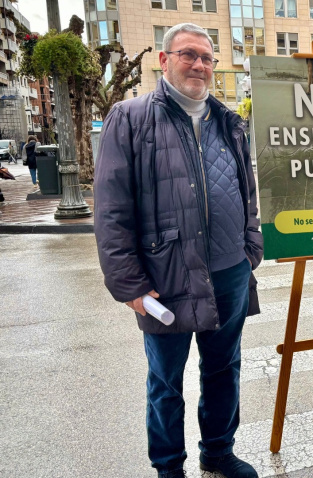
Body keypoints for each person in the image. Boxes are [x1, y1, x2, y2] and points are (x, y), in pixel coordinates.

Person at [94, 23, 263, 478]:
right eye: (189, 54)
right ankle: (169, 468)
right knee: (166, 381)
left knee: (224, 368)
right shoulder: (129, 118)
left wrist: (250, 248)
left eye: (207, 58)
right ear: (165, 60)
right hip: (164, 276)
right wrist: (129, 283)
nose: (199, 65)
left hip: (229, 272)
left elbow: (247, 192)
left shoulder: (228, 122)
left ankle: (218, 451)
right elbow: (111, 209)